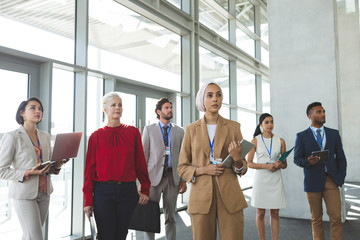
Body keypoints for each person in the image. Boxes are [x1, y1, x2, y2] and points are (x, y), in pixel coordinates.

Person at [177, 82, 248, 240]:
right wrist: (203, 170)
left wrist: (237, 159)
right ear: (202, 100)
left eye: (218, 95)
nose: (215, 99)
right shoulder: (190, 129)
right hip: (201, 195)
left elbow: (242, 168)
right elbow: (181, 167)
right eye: (210, 95)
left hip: (230, 194)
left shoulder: (234, 127)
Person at [83, 92, 151, 240]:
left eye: (120, 105)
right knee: (106, 235)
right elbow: (89, 170)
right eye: (113, 105)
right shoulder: (96, 136)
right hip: (103, 192)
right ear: (105, 109)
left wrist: (145, 188)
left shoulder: (133, 132)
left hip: (128, 191)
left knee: (121, 234)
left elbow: (140, 162)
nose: (117, 108)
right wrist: (88, 200)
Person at [0, 97, 68, 240]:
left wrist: (57, 165)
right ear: (22, 113)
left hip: (44, 193)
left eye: (40, 109)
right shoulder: (12, 136)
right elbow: (2, 170)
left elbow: (47, 167)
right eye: (33, 108)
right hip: (25, 195)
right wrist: (27, 172)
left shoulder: (45, 136)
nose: (38, 111)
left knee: (30, 236)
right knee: (35, 237)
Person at [294, 102, 347, 240]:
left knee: (336, 218)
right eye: (319, 112)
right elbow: (297, 159)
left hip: (332, 180)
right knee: (316, 219)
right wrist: (307, 161)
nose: (323, 114)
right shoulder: (301, 136)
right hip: (312, 181)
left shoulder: (333, 134)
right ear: (310, 115)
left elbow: (341, 157)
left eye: (323, 111)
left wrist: (340, 177)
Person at [141, 97, 186, 240]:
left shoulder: (180, 131)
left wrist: (183, 180)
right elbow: (144, 157)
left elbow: (183, 157)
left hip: (173, 178)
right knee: (149, 215)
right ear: (159, 111)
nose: (170, 110)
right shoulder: (149, 129)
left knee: (170, 216)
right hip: (152, 179)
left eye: (171, 107)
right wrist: (142, 183)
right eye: (167, 108)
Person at [247, 113, 287, 240]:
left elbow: (285, 164)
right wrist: (266, 166)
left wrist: (279, 164)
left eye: (272, 122)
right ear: (261, 125)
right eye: (267, 122)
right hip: (261, 180)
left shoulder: (280, 141)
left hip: (275, 179)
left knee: (275, 213)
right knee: (260, 213)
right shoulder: (255, 141)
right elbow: (249, 163)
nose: (270, 125)